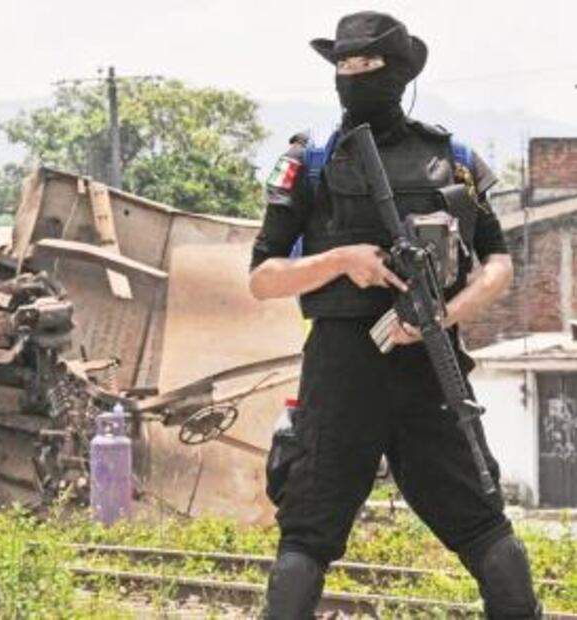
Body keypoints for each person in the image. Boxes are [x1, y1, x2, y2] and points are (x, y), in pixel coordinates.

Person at [248, 12, 541, 619]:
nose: (352, 77)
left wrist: (443, 314)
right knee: (305, 537)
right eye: (343, 67)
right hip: (341, 371)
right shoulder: (313, 160)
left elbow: (500, 263)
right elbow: (262, 278)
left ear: (401, 72)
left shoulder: (452, 158)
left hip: (430, 367)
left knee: (486, 529)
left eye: (367, 66)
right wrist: (340, 260)